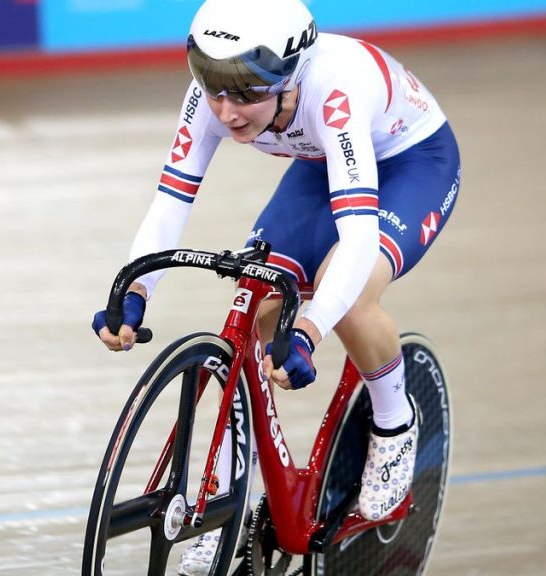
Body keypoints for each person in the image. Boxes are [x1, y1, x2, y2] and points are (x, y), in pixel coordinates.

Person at [93, 0, 460, 572]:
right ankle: (230, 506)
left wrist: (310, 330)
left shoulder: (334, 90)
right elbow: (170, 202)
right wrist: (136, 292)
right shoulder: (213, 95)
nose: (226, 110)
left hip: (411, 163)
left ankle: (394, 425)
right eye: (214, 89)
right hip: (320, 166)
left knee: (352, 297)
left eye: (245, 94)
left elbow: (359, 240)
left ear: (291, 76)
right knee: (257, 300)